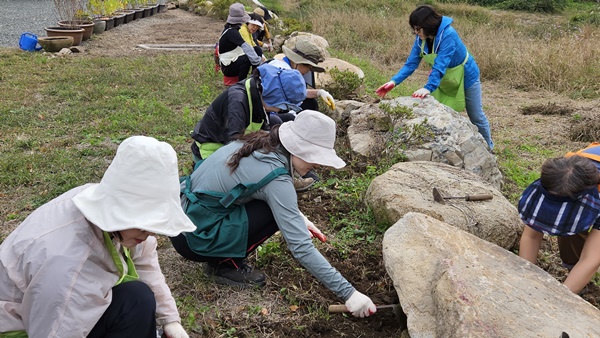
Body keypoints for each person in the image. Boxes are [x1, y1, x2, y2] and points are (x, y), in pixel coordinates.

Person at [173, 110, 377, 318]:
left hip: (182, 215)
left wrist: (299, 218)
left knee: (276, 208)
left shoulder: (261, 141)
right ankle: (224, 265)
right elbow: (301, 247)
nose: (318, 165)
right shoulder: (277, 179)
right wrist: (349, 294)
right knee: (272, 213)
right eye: (315, 157)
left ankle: (222, 255)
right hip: (194, 239)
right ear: (299, 148)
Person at [0, 136, 197, 338]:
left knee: (137, 297)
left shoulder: (114, 216)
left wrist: (170, 321)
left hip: (53, 310)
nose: (151, 234)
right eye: (146, 223)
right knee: (133, 301)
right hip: (23, 327)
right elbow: (56, 330)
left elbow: (145, 264)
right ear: (120, 212)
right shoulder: (71, 264)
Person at [376, 5, 494, 151]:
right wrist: (393, 81)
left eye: (418, 28)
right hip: (444, 78)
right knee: (442, 112)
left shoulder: (448, 34)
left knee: (476, 116)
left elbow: (440, 65)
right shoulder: (421, 39)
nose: (415, 32)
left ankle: (489, 147)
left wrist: (428, 87)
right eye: (414, 28)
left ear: (428, 25)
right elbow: (411, 64)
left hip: (466, 76)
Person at [190, 63, 306, 163]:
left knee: (275, 122)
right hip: (213, 151)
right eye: (282, 107)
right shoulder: (237, 102)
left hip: (236, 143)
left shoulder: (257, 93)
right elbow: (232, 148)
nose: (281, 111)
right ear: (273, 96)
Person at [518, 154, 600, 295]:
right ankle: (575, 272)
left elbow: (592, 258)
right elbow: (531, 236)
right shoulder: (561, 176)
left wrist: (560, 297)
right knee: (568, 227)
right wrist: (525, 279)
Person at [268, 36, 336, 112]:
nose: (307, 72)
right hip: (272, 113)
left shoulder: (276, 63)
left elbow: (297, 91)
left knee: (310, 102)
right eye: (309, 68)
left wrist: (319, 92)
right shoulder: (287, 73)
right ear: (300, 63)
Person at [218, 2, 264, 83]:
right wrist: (258, 62)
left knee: (257, 50)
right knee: (246, 58)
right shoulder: (231, 32)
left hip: (234, 59)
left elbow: (252, 46)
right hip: (227, 67)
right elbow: (246, 47)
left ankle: (254, 77)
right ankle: (242, 83)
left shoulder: (234, 28)